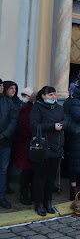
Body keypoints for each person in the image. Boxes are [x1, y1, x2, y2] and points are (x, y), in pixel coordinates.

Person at [29, 86, 69, 216]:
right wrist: (52, 126)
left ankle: (48, 202)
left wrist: (63, 124)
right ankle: (39, 204)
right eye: (50, 95)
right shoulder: (37, 108)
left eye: (55, 94)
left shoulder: (58, 107)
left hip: (57, 148)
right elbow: (35, 126)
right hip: (43, 148)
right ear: (43, 96)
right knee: (40, 178)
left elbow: (66, 120)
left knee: (51, 179)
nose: (54, 97)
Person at [14, 90, 37, 206]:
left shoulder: (37, 109)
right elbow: (24, 127)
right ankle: (24, 194)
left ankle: (33, 194)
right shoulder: (25, 109)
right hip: (26, 145)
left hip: (36, 145)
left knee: (34, 172)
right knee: (26, 172)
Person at [0, 79, 18, 209]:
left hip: (4, 142)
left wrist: (4, 135)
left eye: (2, 85)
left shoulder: (8, 102)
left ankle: (1, 196)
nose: (1, 88)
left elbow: (13, 120)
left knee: (3, 170)